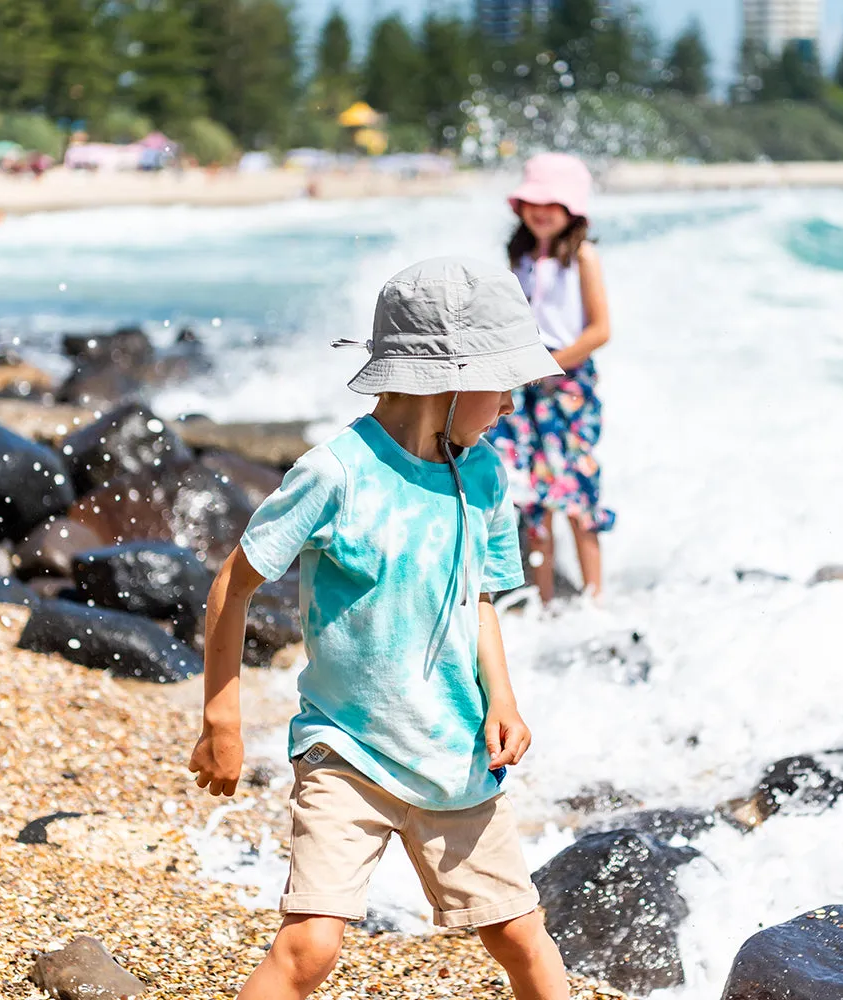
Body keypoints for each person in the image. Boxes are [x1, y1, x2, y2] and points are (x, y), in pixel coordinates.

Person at [188, 257, 571, 1000]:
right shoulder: (337, 473)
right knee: (309, 948)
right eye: (503, 384)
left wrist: (503, 701)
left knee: (521, 937)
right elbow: (232, 585)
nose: (511, 403)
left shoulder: (485, 477)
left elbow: (480, 599)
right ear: (450, 379)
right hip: (346, 751)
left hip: (454, 753)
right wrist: (220, 716)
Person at [489, 153, 615, 605]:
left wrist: (553, 362)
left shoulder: (584, 256)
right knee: (533, 492)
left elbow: (600, 330)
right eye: (532, 201)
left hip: (568, 387)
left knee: (578, 489)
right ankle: (542, 602)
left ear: (572, 209)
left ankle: (595, 598)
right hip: (524, 387)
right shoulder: (517, 256)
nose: (541, 211)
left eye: (552, 203)